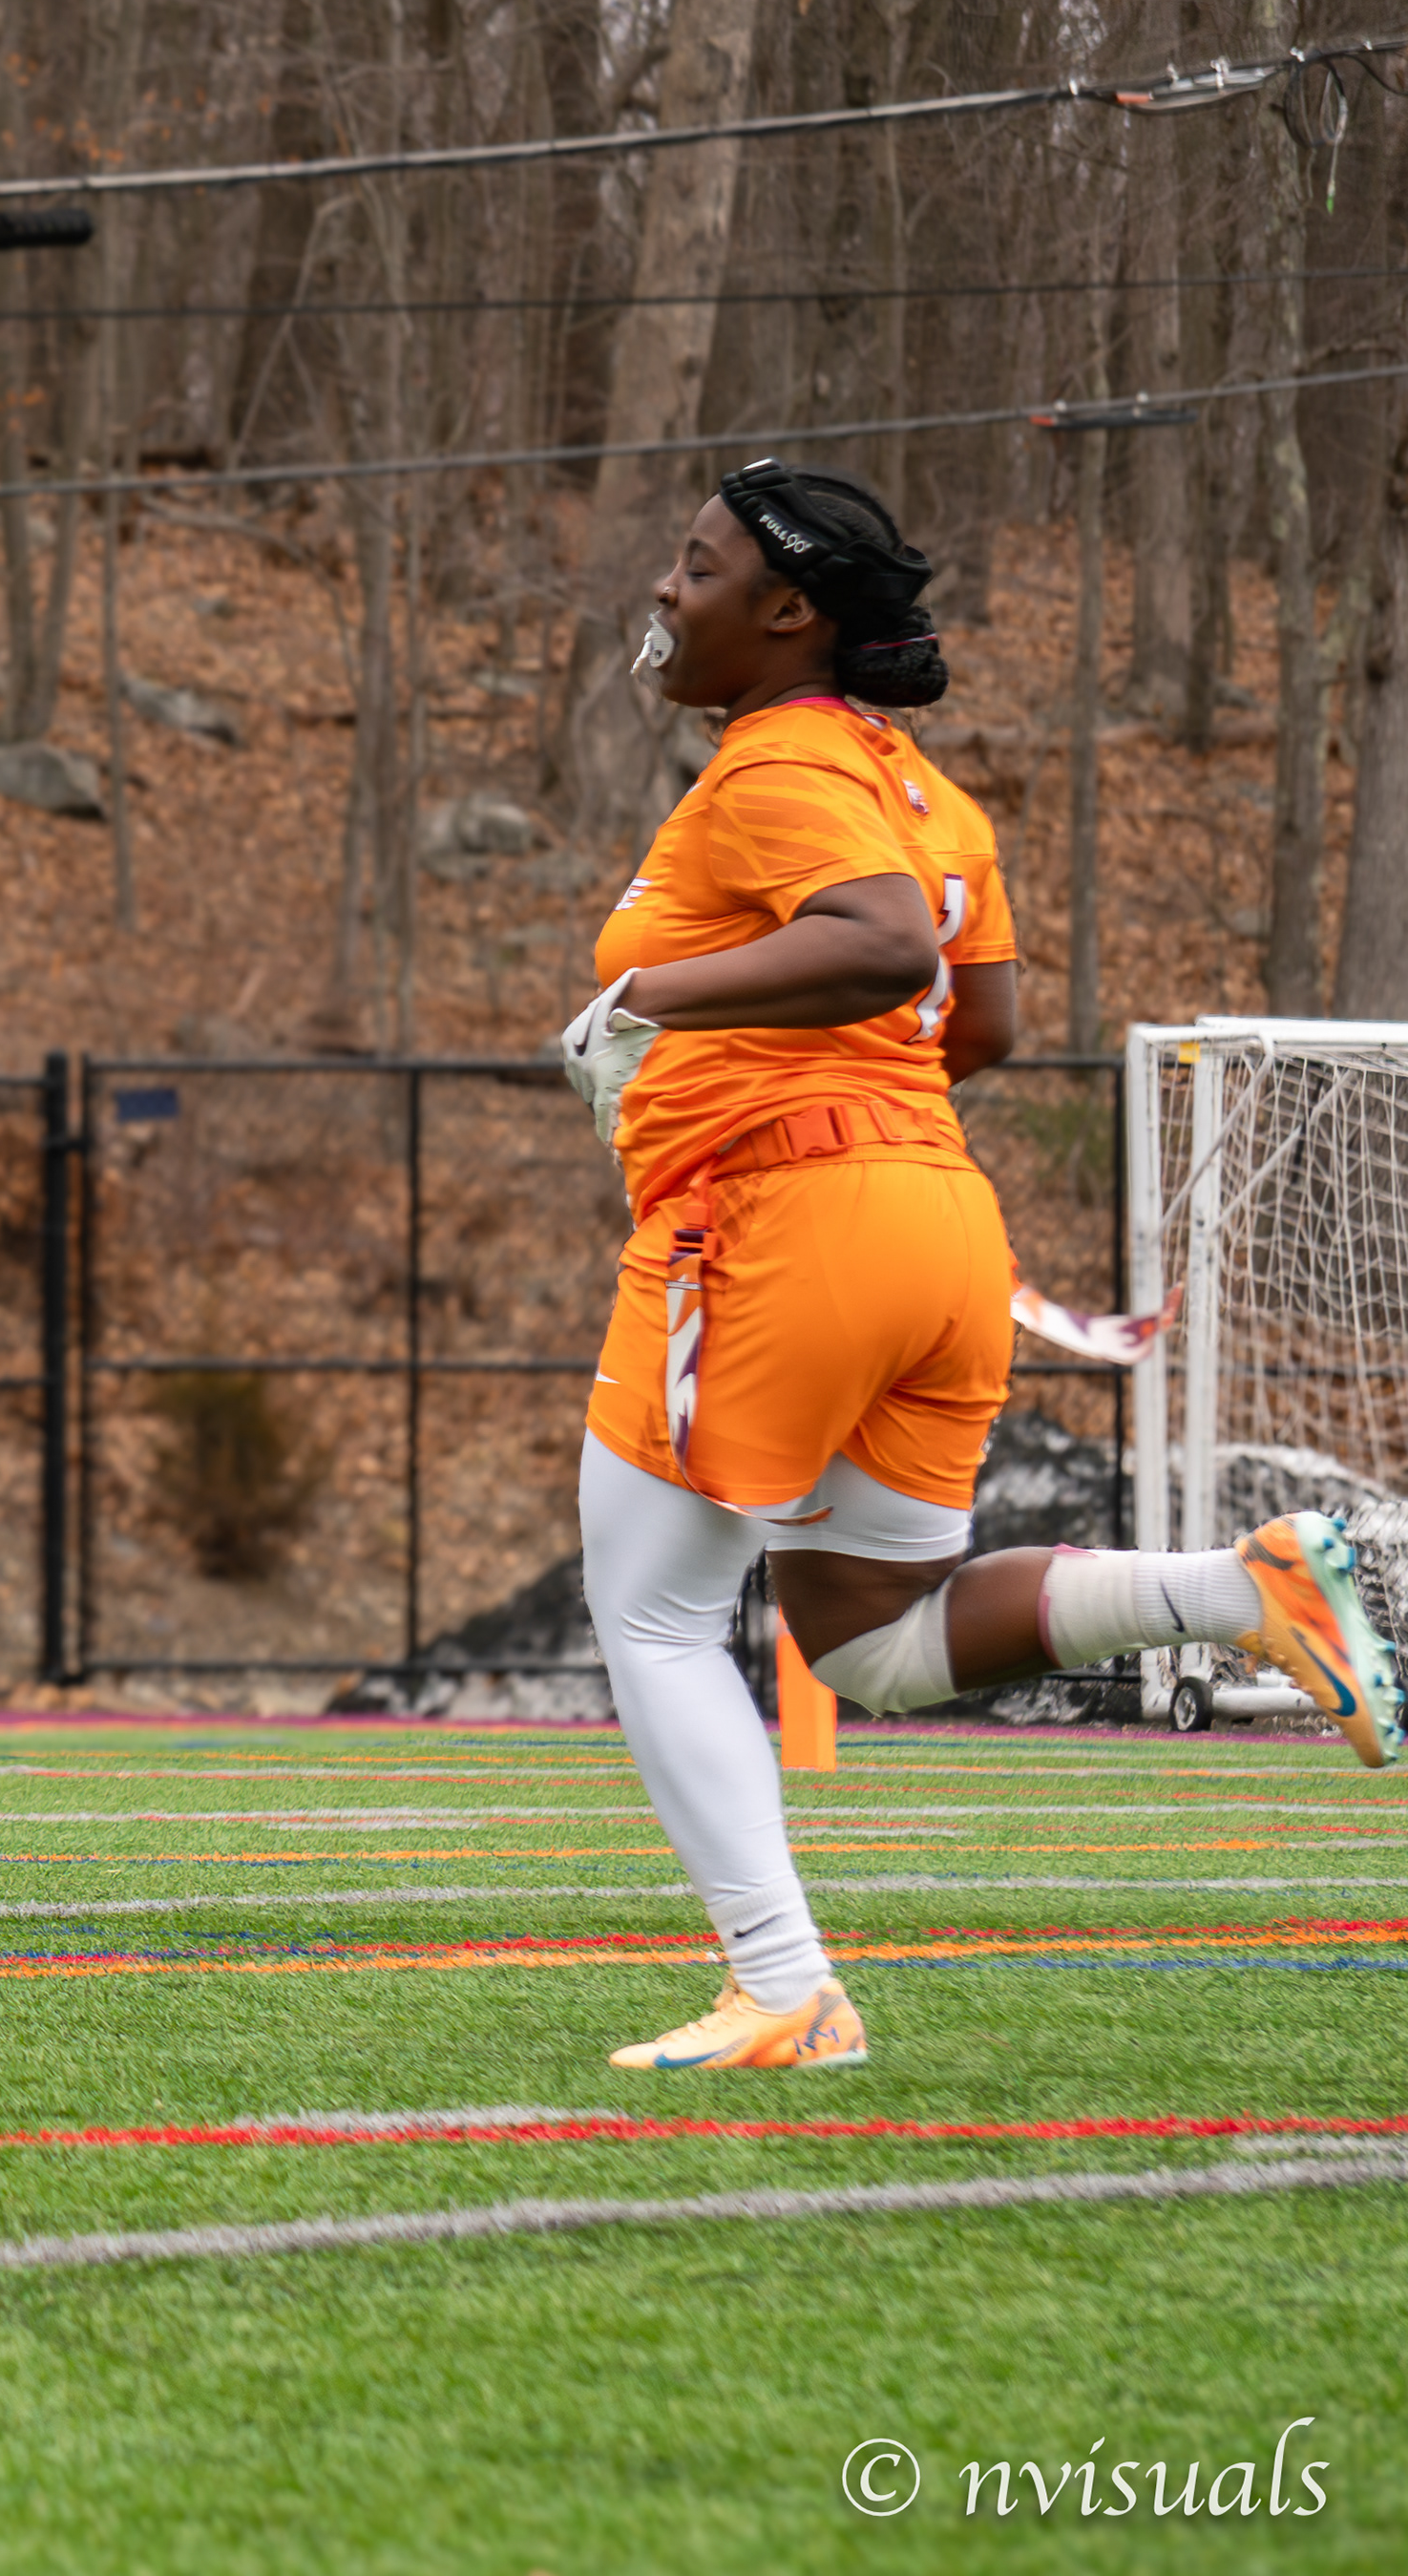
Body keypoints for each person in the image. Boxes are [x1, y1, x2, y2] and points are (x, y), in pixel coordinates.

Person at [556, 457, 1401, 2074]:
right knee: (870, 1639)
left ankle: (785, 1989)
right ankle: (1244, 1590)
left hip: (779, 1228)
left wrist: (649, 1005)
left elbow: (885, 943)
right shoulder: (927, 789)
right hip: (935, 1221)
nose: (667, 588)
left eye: (699, 565)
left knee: (653, 1614)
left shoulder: (777, 761)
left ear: (788, 613)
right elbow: (987, 1021)